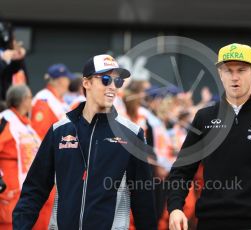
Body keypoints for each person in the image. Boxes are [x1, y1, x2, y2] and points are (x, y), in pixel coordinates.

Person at [167, 43, 251, 230]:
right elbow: (181, 171)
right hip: (211, 222)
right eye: (228, 70)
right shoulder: (204, 117)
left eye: (241, 70)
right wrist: (175, 207)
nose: (234, 77)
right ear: (220, 74)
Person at [13, 54, 157, 229]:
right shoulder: (59, 131)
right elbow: (34, 189)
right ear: (86, 83)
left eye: (117, 82)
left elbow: (144, 202)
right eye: (105, 79)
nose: (112, 87)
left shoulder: (132, 134)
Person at [0, 85, 41, 230]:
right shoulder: (5, 120)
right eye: (30, 97)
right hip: (8, 191)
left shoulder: (26, 125)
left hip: (24, 192)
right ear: (24, 100)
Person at [31, 63, 74, 139]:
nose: (69, 82)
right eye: (68, 79)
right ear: (60, 81)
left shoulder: (60, 101)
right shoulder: (43, 99)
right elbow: (40, 135)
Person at [0, 20, 27, 101]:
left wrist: (18, 60)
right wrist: (4, 62)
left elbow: (11, 73)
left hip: (8, 100)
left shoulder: (6, 51)